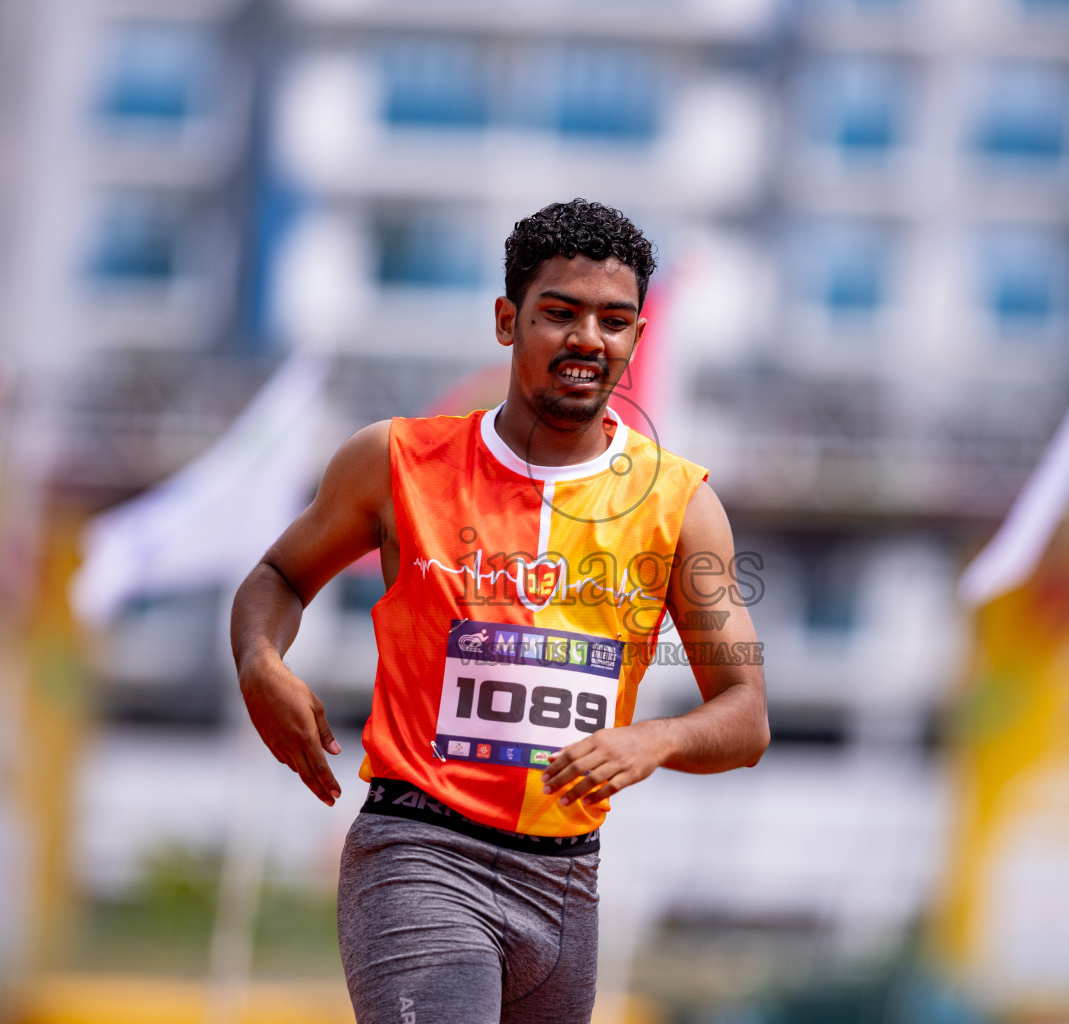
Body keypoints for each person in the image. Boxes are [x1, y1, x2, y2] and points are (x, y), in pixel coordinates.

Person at [230, 199, 770, 1024]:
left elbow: (746, 716)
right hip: (421, 854)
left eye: (615, 321)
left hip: (567, 883)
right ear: (506, 321)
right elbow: (278, 575)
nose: (589, 338)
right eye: (560, 313)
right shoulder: (395, 461)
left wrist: (655, 738)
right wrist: (259, 664)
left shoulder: (682, 503)